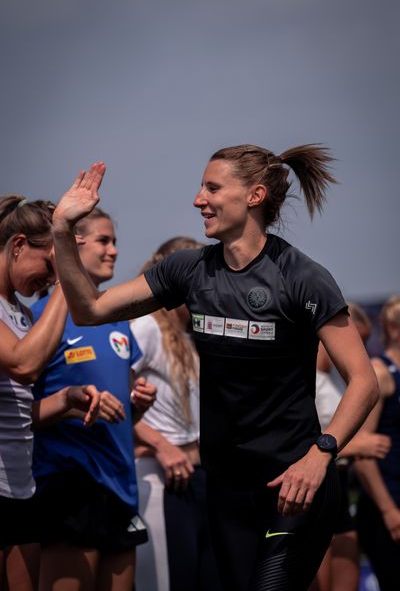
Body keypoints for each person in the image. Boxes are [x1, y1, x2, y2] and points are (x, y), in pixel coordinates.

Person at [51, 147, 379, 591]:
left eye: (212, 188)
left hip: (294, 486)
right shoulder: (188, 271)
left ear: (255, 195)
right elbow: (89, 309)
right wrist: (62, 228)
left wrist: (321, 455)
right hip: (226, 490)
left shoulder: (302, 277)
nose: (197, 199)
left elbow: (364, 381)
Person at [31, 207, 156, 591]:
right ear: (72, 243)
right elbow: (18, 413)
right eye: (104, 240)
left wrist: (136, 406)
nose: (114, 251)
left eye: (115, 241)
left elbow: (121, 416)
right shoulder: (38, 319)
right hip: (69, 484)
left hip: (121, 483)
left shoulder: (115, 319)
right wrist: (70, 402)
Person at [0, 195, 100, 591]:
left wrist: (66, 401)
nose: (48, 276)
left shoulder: (21, 314)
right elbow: (24, 365)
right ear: (19, 244)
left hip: (21, 488)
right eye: (49, 262)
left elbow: (17, 413)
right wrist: (65, 280)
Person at [131, 236, 221, 591]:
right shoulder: (146, 326)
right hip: (162, 479)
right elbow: (114, 397)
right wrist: (160, 446)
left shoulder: (193, 334)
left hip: (199, 478)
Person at [311, 303, 391, 591]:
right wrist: (358, 445)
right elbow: (300, 449)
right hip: (315, 492)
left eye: (365, 343)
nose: (359, 350)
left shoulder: (338, 380)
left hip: (341, 488)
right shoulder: (307, 380)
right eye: (357, 340)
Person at [354, 295, 400, 591]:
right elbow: (363, 451)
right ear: (393, 328)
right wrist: (389, 511)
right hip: (389, 504)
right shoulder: (381, 372)